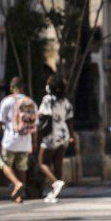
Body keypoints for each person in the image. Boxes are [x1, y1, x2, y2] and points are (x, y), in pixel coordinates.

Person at [0, 77, 37, 203]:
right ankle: (20, 195)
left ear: (11, 88)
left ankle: (17, 184)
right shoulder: (30, 102)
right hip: (25, 141)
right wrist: (34, 142)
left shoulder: (7, 101)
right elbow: (34, 126)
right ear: (23, 88)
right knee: (22, 167)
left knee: (4, 163)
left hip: (10, 141)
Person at [37, 75, 74, 203]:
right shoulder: (66, 101)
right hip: (64, 135)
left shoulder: (48, 100)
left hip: (51, 134)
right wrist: (72, 136)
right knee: (57, 164)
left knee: (43, 162)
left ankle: (55, 183)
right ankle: (55, 193)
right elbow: (69, 120)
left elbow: (42, 115)